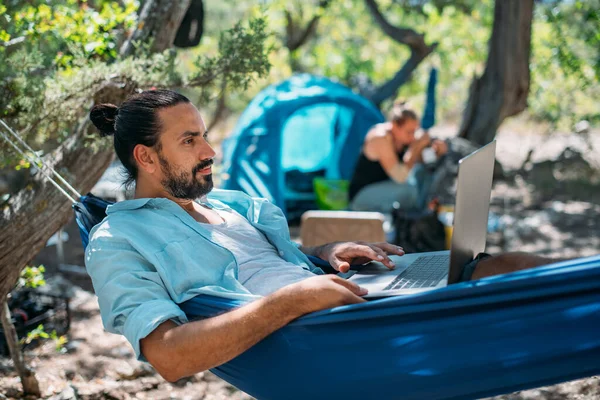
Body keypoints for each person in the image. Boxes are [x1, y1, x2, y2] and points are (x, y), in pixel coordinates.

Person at [86, 90, 561, 383]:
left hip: (346, 297)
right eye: (189, 141)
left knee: (505, 264)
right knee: (503, 282)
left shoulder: (228, 204)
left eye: (204, 135)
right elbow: (167, 356)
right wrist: (292, 301)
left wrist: (321, 254)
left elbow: (270, 264)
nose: (210, 151)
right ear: (146, 158)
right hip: (323, 338)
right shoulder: (118, 238)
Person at [349, 102, 448, 213]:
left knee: (421, 173)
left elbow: (422, 161)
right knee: (408, 190)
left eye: (414, 132)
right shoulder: (380, 138)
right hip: (362, 196)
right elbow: (400, 176)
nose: (412, 136)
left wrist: (435, 151)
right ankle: (416, 216)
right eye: (409, 132)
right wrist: (415, 148)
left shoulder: (403, 138)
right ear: (394, 126)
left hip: (386, 187)